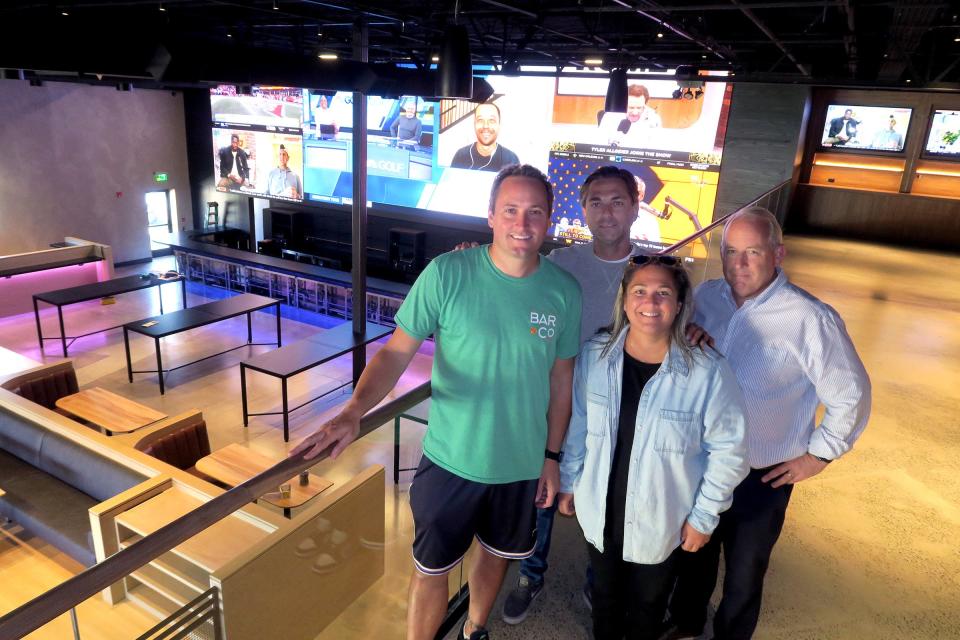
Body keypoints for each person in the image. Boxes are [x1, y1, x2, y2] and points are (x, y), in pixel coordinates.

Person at [292, 164, 582, 640]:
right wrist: (352, 412)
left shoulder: (562, 291)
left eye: (535, 212)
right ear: (491, 215)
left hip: (522, 465)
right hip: (451, 461)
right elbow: (394, 352)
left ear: (548, 221)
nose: (522, 223)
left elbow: (561, 381)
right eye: (510, 210)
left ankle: (475, 628)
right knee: (431, 569)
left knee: (497, 555)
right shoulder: (448, 273)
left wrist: (551, 458)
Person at [663, 207, 872, 640]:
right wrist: (687, 338)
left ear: (778, 253)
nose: (739, 263)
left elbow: (851, 395)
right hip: (701, 463)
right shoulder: (705, 298)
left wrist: (818, 456)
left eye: (752, 252)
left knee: (745, 572)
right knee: (692, 553)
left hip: (764, 476)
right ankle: (686, 624)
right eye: (731, 251)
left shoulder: (810, 319)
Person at [558, 254, 749, 640]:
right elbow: (579, 422)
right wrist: (569, 481)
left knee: (648, 605)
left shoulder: (707, 370)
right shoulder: (596, 356)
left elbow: (730, 452)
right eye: (640, 291)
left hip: (663, 518)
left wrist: (703, 517)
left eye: (663, 293)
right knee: (605, 599)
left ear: (679, 305)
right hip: (601, 509)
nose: (650, 302)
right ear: (625, 300)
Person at [450, 102, 520, 172]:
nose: (485, 126)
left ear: (499, 124)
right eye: (480, 120)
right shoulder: (461, 156)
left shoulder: (511, 159)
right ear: (474, 124)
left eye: (492, 120)